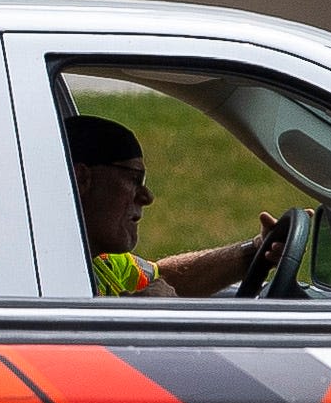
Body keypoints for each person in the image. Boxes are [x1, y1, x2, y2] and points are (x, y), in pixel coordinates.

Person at [66, 114, 269, 296]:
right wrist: (141, 322)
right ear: (81, 179)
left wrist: (258, 250)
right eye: (134, 179)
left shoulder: (101, 260)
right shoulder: (51, 272)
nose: (147, 197)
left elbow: (163, 280)